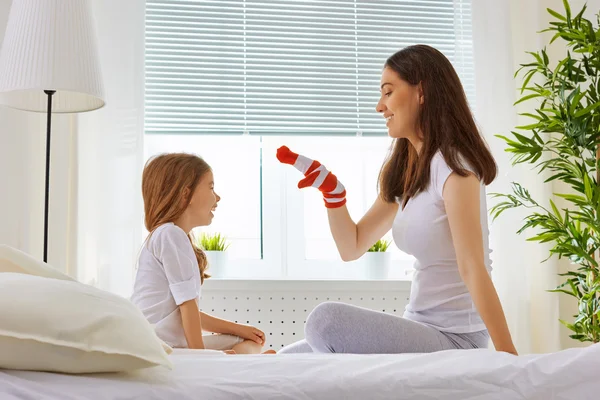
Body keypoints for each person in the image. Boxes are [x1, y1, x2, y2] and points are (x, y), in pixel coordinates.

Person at [277, 44, 517, 355]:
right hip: (419, 327)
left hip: (457, 338)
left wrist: (508, 356)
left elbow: (473, 265)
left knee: (324, 322)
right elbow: (352, 246)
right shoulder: (408, 171)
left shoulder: (456, 167)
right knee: (288, 359)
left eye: (388, 92)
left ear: (422, 92)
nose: (380, 106)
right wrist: (333, 194)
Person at [131, 153, 275, 354]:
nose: (217, 197)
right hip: (162, 347)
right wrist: (200, 359)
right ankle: (234, 360)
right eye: (211, 187)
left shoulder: (170, 235)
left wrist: (240, 329)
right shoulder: (170, 234)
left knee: (248, 342)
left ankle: (234, 358)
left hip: (165, 343)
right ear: (185, 194)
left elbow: (186, 313)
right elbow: (187, 307)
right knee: (249, 347)